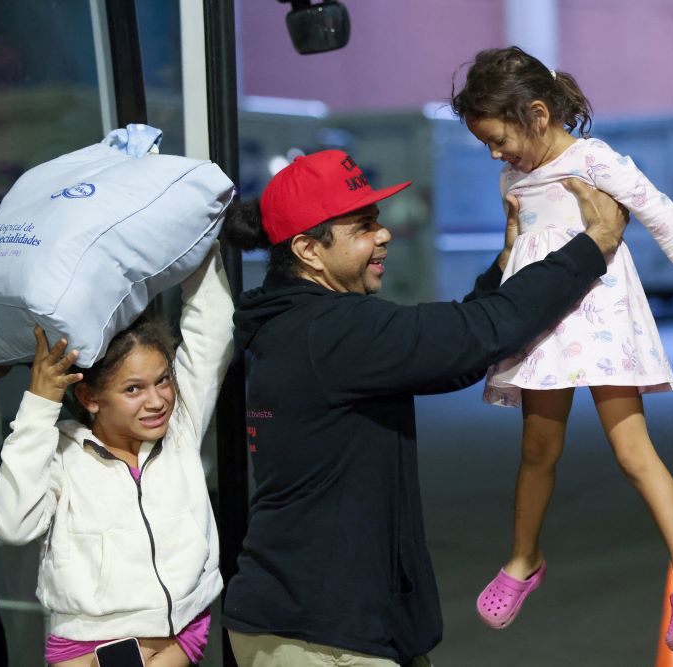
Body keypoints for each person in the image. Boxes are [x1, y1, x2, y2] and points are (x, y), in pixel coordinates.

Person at [219, 148, 629, 666]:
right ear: (308, 249)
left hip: (319, 623)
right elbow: (476, 335)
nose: (384, 234)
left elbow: (452, 356)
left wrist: (505, 266)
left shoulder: (302, 326)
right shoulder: (330, 330)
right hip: (318, 637)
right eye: (363, 226)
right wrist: (593, 247)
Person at [450, 46, 673, 650]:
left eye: (498, 138)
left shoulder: (594, 160)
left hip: (600, 315)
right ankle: (523, 560)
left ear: (535, 113)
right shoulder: (515, 179)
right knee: (537, 449)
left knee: (633, 451)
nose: (495, 154)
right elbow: (521, 253)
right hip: (543, 318)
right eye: (487, 145)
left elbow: (657, 211)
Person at [0, 245, 233, 667]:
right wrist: (40, 404)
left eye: (163, 380)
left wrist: (201, 237)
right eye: (133, 389)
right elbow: (11, 524)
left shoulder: (181, 428)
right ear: (90, 396)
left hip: (178, 635)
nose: (157, 401)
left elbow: (213, 326)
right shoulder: (62, 454)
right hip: (86, 645)